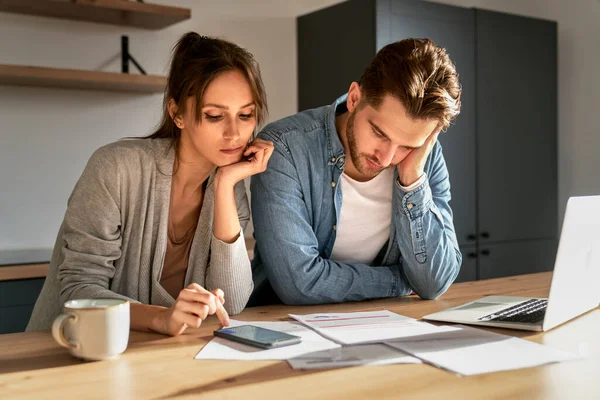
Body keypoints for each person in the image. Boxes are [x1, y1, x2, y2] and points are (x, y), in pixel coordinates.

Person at [27, 32, 273, 336]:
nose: (234, 133)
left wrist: (224, 184)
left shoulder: (230, 185)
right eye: (214, 116)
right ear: (177, 113)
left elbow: (231, 301)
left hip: (152, 359)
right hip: (67, 351)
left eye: (246, 115)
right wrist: (161, 318)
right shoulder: (116, 168)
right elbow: (79, 290)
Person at [249, 38, 462, 306]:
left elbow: (433, 283)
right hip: (286, 327)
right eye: (379, 133)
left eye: (406, 146)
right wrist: (399, 282)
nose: (386, 158)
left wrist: (413, 181)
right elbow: (299, 284)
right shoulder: (284, 148)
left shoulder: (424, 158)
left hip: (387, 324)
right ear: (354, 98)